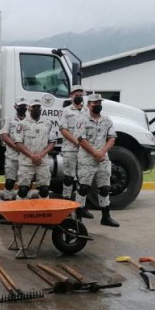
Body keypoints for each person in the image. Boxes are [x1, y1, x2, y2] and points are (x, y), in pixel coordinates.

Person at [76, 93, 120, 227]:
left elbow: (112, 138)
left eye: (99, 103)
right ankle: (78, 218)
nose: (98, 105)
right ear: (89, 105)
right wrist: (95, 153)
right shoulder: (82, 120)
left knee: (105, 188)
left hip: (103, 159)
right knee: (84, 188)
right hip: (86, 159)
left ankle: (106, 217)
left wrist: (102, 152)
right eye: (95, 103)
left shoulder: (107, 120)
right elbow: (81, 139)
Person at [59, 84, 93, 218]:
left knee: (83, 179)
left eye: (80, 95)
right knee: (69, 178)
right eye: (76, 94)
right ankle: (65, 208)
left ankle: (81, 207)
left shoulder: (87, 111)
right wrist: (77, 142)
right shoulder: (66, 111)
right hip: (70, 150)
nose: (78, 97)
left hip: (85, 151)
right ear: (71, 96)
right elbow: (63, 130)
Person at [15, 98, 58, 199]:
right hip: (26, 162)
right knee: (23, 190)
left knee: (44, 190)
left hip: (42, 162)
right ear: (29, 108)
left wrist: (40, 155)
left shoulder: (48, 123)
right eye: (34, 107)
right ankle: (20, 208)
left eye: (38, 107)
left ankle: (43, 208)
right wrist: (32, 156)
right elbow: (18, 143)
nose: (36, 109)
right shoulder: (22, 124)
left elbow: (52, 142)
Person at [0, 96, 28, 200]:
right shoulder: (9, 119)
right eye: (20, 106)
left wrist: (24, 150)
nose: (22, 107)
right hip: (12, 156)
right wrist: (16, 147)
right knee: (9, 182)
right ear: (15, 106)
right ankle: (7, 201)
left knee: (25, 185)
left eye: (24, 105)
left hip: (26, 158)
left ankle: (23, 204)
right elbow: (4, 135)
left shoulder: (30, 120)